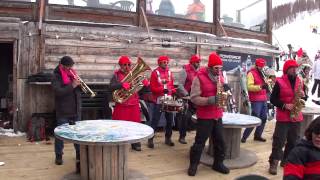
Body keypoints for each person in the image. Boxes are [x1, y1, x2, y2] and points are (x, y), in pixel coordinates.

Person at [187, 52, 230, 176]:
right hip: (205, 116)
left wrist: (225, 93)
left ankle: (218, 163)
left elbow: (221, 94)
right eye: (216, 68)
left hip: (217, 115)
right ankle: (193, 165)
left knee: (220, 142)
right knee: (200, 142)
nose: (219, 71)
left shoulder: (220, 77)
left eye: (221, 68)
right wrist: (210, 100)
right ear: (210, 67)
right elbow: (194, 98)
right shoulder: (199, 77)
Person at [268, 59, 305, 175]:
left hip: (296, 116)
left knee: (294, 141)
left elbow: (304, 98)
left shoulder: (300, 81)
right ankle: (274, 162)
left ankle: (286, 160)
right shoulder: (279, 82)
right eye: (292, 68)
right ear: (286, 70)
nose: (295, 70)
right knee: (279, 141)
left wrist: (304, 95)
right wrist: (284, 105)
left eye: (296, 68)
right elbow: (272, 99)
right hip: (283, 117)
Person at [110, 56, 149, 151]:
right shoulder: (116, 75)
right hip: (122, 104)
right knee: (120, 125)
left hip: (134, 103)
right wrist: (121, 85)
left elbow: (141, 89)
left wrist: (144, 84)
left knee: (135, 124)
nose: (127, 66)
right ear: (120, 65)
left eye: (128, 64)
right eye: (124, 65)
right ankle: (120, 143)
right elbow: (110, 87)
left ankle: (135, 143)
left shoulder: (134, 74)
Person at [51, 56, 81, 173]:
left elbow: (77, 90)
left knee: (78, 135)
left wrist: (80, 85)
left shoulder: (72, 73)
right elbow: (58, 92)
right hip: (63, 110)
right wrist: (72, 85)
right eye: (68, 67)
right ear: (62, 65)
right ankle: (59, 155)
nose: (70, 69)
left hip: (75, 109)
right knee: (60, 135)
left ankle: (79, 155)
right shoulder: (56, 76)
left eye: (71, 67)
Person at [147, 55, 176, 148]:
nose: (166, 64)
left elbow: (171, 85)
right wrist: (161, 90)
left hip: (169, 99)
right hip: (158, 100)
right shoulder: (155, 73)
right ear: (159, 63)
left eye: (167, 62)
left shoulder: (170, 72)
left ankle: (168, 138)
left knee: (170, 120)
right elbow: (152, 88)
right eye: (164, 62)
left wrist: (173, 90)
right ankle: (150, 139)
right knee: (155, 120)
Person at [241, 58, 269, 143]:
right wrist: (260, 87)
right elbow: (249, 87)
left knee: (264, 118)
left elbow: (265, 85)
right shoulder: (251, 73)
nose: (262, 67)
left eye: (263, 66)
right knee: (254, 118)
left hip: (263, 98)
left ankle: (258, 135)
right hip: (256, 100)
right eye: (260, 66)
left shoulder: (262, 74)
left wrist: (268, 87)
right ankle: (244, 137)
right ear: (256, 66)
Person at [176, 55, 201, 144]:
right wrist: (186, 94)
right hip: (186, 98)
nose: (198, 63)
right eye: (197, 62)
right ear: (193, 62)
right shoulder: (185, 71)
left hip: (196, 98)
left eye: (199, 62)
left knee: (199, 118)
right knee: (185, 118)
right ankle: (182, 136)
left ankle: (198, 137)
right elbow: (180, 85)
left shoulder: (198, 72)